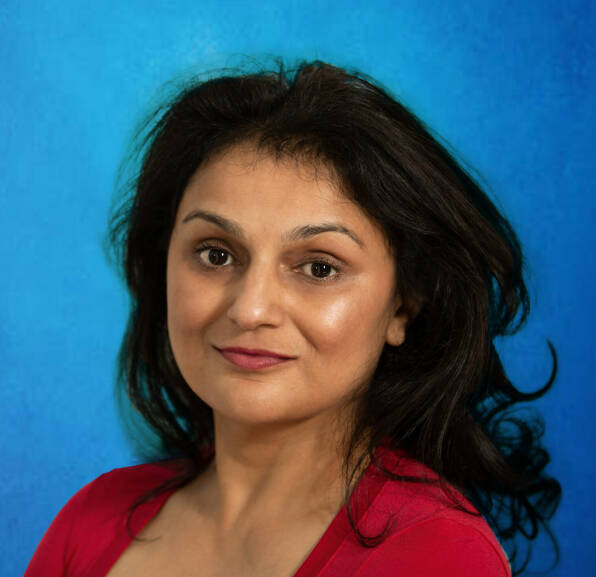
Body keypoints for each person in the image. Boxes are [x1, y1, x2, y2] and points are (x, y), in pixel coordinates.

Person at [26, 60, 561, 577]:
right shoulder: (93, 519)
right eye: (216, 254)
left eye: (319, 267)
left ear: (403, 306)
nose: (250, 309)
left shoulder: (438, 557)